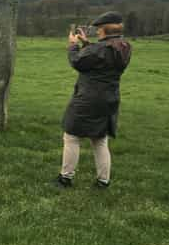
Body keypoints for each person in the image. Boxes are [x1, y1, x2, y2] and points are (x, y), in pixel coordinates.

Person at [54, 11, 132, 189]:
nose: (97, 32)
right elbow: (101, 56)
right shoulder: (124, 47)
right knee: (100, 140)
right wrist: (87, 43)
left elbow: (78, 62)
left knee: (71, 136)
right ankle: (103, 180)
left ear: (104, 31)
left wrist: (73, 45)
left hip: (88, 98)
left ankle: (65, 178)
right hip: (109, 98)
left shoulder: (99, 50)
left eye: (98, 30)